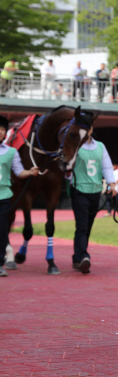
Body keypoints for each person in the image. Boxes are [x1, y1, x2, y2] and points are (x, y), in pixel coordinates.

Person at [68, 124, 117, 274]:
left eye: (87, 128)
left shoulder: (100, 146)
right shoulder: (74, 146)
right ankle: (84, 256)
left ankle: (77, 257)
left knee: (87, 226)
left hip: (95, 191)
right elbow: (67, 166)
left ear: (91, 129)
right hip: (79, 189)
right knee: (82, 226)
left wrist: (112, 184)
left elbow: (107, 166)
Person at [0, 116, 41, 277]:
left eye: (3, 129)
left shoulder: (11, 152)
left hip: (4, 196)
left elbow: (19, 171)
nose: (0, 132)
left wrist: (30, 172)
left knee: (2, 230)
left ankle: (0, 263)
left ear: (5, 133)